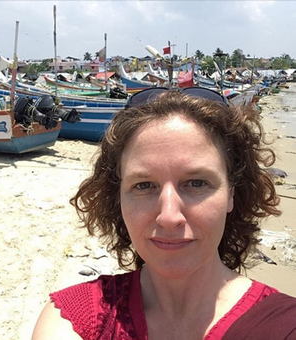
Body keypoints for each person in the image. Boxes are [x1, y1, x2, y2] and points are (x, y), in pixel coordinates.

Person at [32, 87, 296, 339]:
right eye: (144, 185)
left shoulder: (282, 325)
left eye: (196, 183)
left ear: (231, 194)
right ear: (118, 198)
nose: (169, 217)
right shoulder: (74, 320)